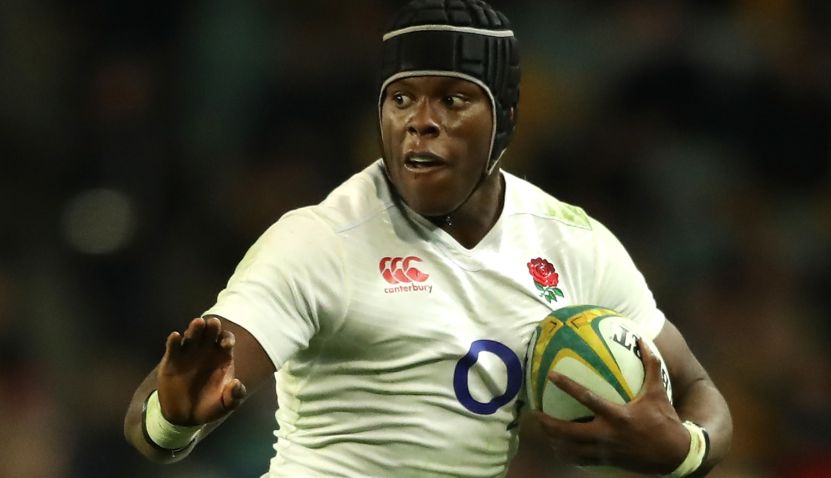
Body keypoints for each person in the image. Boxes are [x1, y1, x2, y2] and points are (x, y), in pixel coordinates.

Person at [124, 1, 733, 476]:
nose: (421, 120)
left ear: (507, 121)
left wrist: (684, 451)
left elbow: (700, 391)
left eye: (455, 98)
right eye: (401, 98)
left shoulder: (572, 245)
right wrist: (172, 421)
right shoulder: (319, 242)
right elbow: (152, 418)